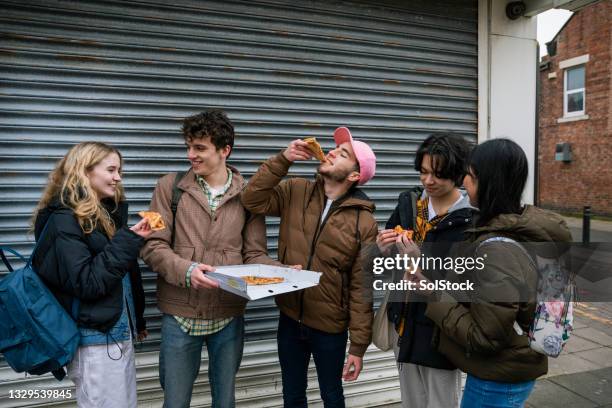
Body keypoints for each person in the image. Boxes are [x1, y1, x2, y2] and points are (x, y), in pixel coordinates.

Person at [140, 109, 281, 408]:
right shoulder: (168, 187)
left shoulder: (248, 195)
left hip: (228, 314)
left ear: (224, 150)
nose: (191, 155)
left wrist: (283, 270)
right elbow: (152, 245)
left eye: (200, 148)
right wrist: (186, 269)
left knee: (225, 401)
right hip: (180, 316)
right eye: (189, 147)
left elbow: (254, 254)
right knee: (175, 402)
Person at [419, 138, 572, 407]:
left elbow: (485, 337)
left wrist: (433, 295)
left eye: (469, 174)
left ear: (487, 181)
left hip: (498, 379)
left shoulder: (498, 250)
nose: (463, 181)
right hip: (511, 368)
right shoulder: (522, 226)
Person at [241, 127, 379, 408]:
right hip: (290, 318)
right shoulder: (295, 190)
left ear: (354, 175)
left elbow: (361, 288)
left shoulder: (364, 223)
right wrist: (284, 159)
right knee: (292, 396)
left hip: (330, 327)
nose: (331, 152)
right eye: (334, 148)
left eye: (342, 154)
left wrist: (358, 348)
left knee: (332, 395)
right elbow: (251, 199)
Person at [32, 142, 151, 407]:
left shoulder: (102, 213)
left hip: (116, 333)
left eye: (119, 170)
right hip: (96, 338)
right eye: (111, 169)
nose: (118, 177)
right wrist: (127, 240)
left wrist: (137, 320)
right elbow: (87, 282)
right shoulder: (64, 219)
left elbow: (124, 276)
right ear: (84, 171)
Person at [376, 134, 473, 408]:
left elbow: (466, 284)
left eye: (437, 174)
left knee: (442, 403)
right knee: (411, 403)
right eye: (423, 172)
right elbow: (388, 263)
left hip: (440, 332)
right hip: (404, 323)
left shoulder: (470, 221)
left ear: (457, 174)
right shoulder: (409, 204)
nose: (428, 181)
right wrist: (382, 248)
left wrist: (422, 260)